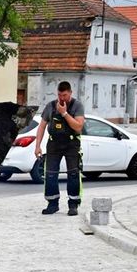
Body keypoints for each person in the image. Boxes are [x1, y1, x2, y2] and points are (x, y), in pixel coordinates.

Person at [34, 81, 86, 215]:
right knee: (50, 173)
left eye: (64, 95)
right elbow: (42, 126)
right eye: (59, 95)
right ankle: (52, 203)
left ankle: (73, 204)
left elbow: (78, 127)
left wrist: (64, 113)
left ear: (70, 93)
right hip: (54, 144)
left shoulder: (77, 106)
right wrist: (37, 146)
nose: (62, 98)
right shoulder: (51, 106)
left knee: (73, 173)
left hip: (71, 144)